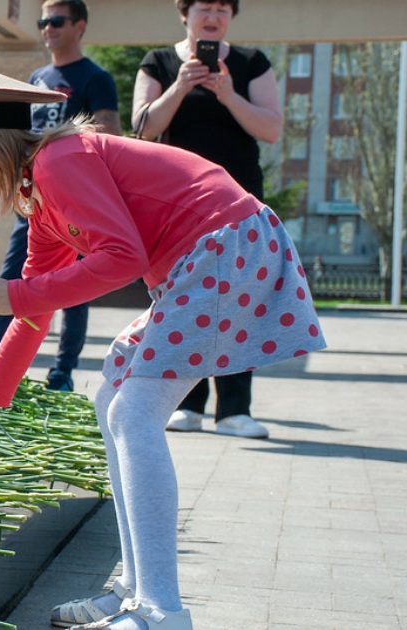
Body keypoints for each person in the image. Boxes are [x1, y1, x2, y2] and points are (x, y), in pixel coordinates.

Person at [0, 66, 325, 629]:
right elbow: (35, 313)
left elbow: (122, 259)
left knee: (133, 412)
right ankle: (133, 591)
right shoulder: (40, 194)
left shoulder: (57, 162)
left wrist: (16, 292)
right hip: (210, 255)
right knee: (113, 395)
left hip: (223, 247)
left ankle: (161, 611)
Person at [132, 0, 282, 440]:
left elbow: (271, 129)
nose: (212, 17)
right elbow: (142, 128)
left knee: (241, 299)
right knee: (181, 298)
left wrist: (228, 93)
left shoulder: (251, 63)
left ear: (231, 15)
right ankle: (186, 405)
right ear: (185, 13)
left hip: (240, 202)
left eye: (222, 8)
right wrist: (179, 86)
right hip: (177, 203)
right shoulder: (158, 62)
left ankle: (234, 410)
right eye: (204, 7)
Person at [0, 0, 121, 394]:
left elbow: (108, 134)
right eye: (43, 22)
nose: (47, 29)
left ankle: (62, 371)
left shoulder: (96, 78)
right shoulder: (38, 76)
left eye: (56, 21)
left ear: (80, 26)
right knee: (14, 277)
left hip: (79, 202)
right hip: (35, 200)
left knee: (74, 286)